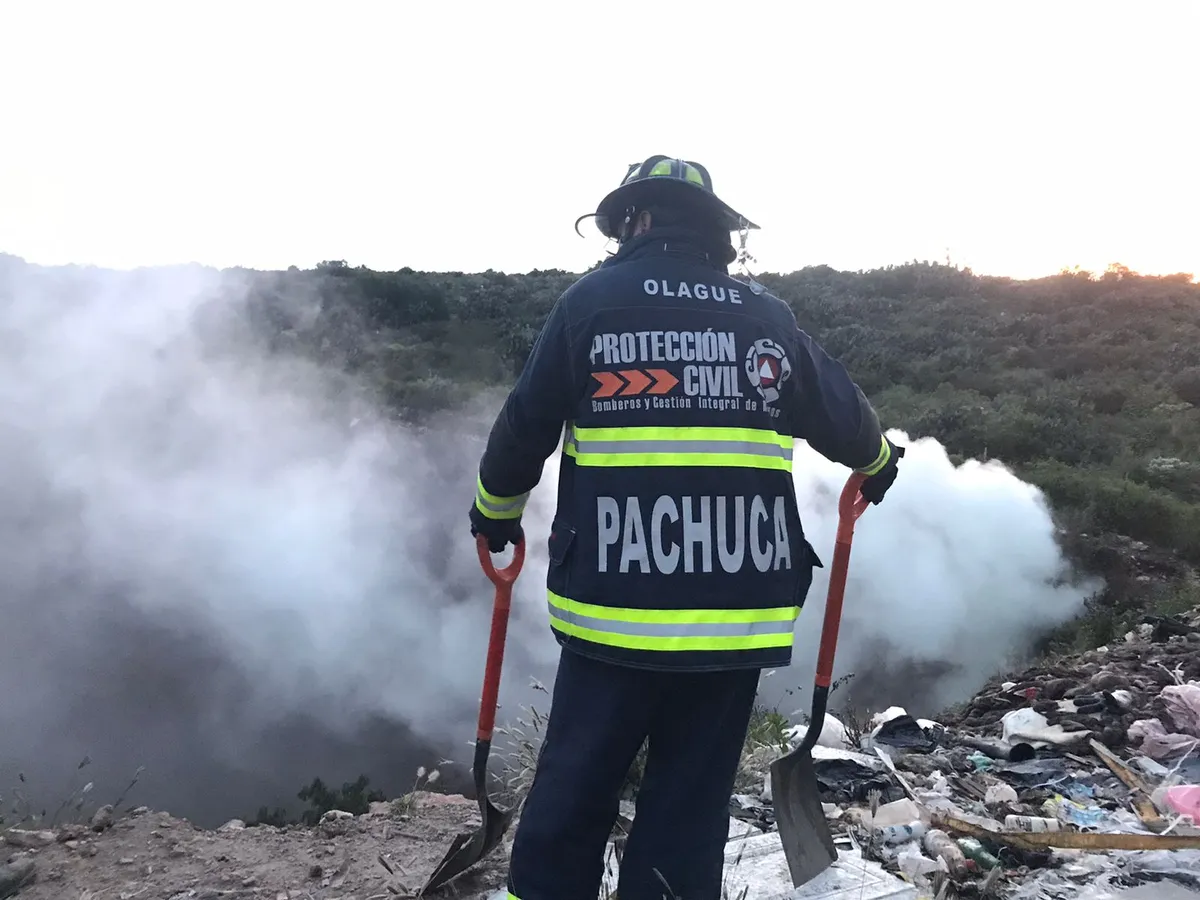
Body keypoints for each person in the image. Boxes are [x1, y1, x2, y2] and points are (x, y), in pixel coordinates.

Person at [468, 155, 904, 900]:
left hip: (616, 610)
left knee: (575, 785)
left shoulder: (590, 304)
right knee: (689, 805)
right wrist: (881, 462)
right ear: (717, 233)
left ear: (633, 220)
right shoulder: (766, 316)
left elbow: (523, 430)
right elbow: (850, 422)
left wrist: (495, 513)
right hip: (733, 619)